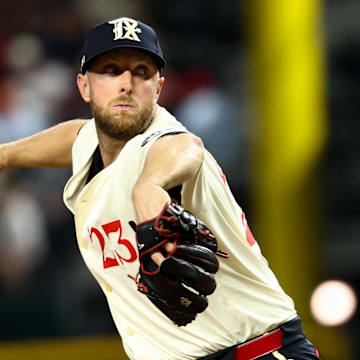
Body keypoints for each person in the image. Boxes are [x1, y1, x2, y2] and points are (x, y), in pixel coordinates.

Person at [0, 17, 320, 360]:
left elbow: (185, 148)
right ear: (84, 86)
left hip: (257, 353)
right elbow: (77, 137)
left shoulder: (163, 141)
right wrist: (6, 155)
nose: (126, 83)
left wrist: (150, 186)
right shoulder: (93, 144)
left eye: (141, 71)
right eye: (110, 70)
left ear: (159, 86)